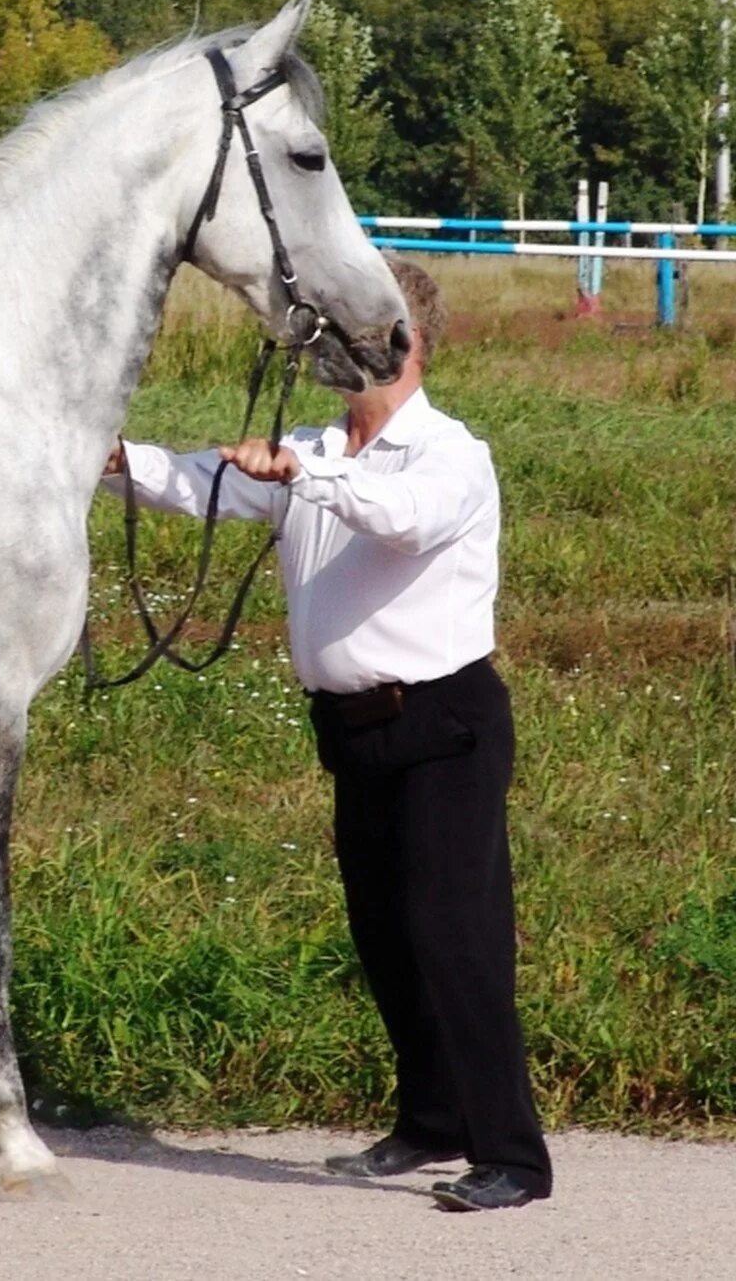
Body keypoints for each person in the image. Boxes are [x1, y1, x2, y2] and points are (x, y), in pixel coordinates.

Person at [103, 258, 551, 1211]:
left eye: (348, 334)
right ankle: (432, 1121)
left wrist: (308, 471)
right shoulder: (309, 447)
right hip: (353, 729)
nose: (328, 353)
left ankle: (514, 1154)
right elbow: (206, 485)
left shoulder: (449, 455)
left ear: (404, 341)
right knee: (386, 933)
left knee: (455, 934)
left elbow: (407, 524)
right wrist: (118, 460)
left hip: (444, 720)